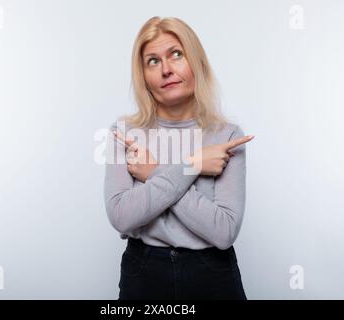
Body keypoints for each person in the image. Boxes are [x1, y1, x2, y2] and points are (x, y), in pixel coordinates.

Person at [103, 16, 255, 300]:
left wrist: (153, 173)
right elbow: (121, 217)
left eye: (176, 54)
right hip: (144, 272)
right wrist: (193, 164)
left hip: (212, 273)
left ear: (196, 62)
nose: (166, 70)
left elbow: (224, 231)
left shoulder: (227, 135)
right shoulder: (124, 133)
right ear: (143, 76)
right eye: (153, 61)